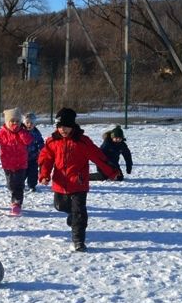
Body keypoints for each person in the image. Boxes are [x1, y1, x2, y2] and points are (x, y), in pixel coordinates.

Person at [38, 107, 121, 252]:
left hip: (79, 183)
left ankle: (78, 241)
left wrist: (113, 172)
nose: (63, 129)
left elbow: (99, 157)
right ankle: (73, 216)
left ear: (73, 126)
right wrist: (44, 175)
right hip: (60, 182)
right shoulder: (52, 142)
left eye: (66, 126)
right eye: (60, 126)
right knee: (60, 206)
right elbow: (46, 160)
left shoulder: (82, 142)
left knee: (79, 212)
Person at [23, 112, 45, 192]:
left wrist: (42, 149)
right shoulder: (22, 132)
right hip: (22, 157)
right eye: (27, 123)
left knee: (33, 172)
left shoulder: (36, 132)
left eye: (31, 123)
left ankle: (32, 185)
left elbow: (40, 141)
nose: (29, 124)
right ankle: (20, 184)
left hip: (34, 157)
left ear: (34, 124)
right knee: (22, 173)